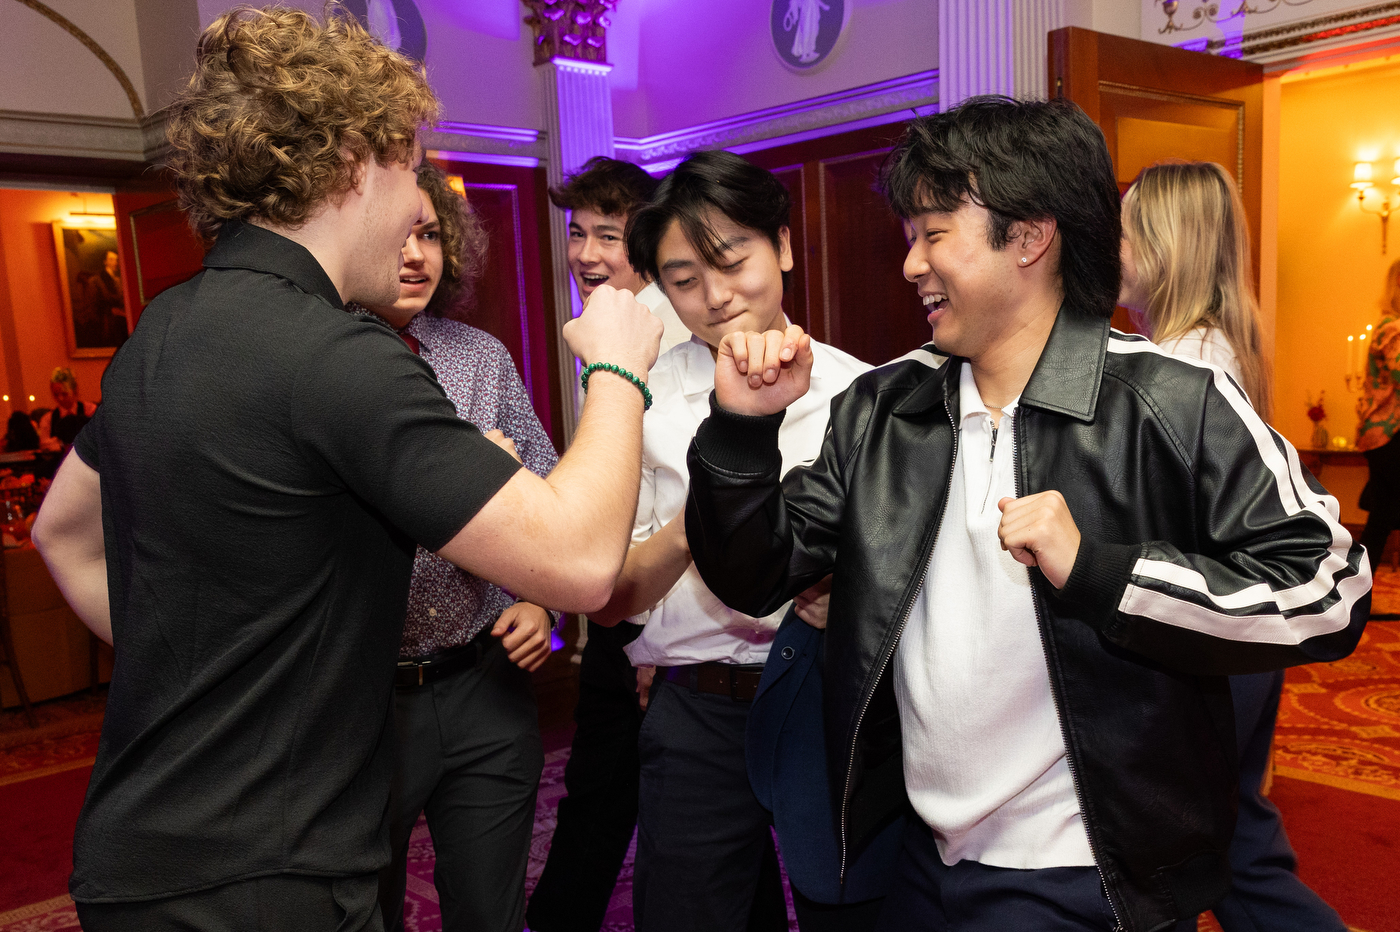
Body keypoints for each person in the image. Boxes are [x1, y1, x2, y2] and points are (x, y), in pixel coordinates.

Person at [31, 9, 661, 932]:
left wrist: (211, 676)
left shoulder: (162, 328)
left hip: (137, 859)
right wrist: (615, 368)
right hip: (270, 876)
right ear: (353, 162)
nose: (420, 206)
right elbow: (581, 564)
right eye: (411, 167)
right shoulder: (335, 354)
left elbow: (62, 532)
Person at [681, 96, 1371, 932]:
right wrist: (742, 432)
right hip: (916, 860)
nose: (911, 264)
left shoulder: (1171, 402)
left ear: (1030, 236)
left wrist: (1106, 572)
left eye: (935, 233)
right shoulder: (883, 409)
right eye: (911, 236)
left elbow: (1328, 588)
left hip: (1083, 872)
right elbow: (754, 574)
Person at [589, 149, 871, 932]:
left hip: (825, 699)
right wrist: (717, 511)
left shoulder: (864, 393)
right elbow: (611, 598)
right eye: (682, 279)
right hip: (698, 706)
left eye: (731, 259)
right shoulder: (635, 401)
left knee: (848, 904)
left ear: (780, 246)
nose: (713, 297)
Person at [1120, 160, 1347, 932]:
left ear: (1159, 248)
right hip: (1242, 634)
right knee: (1236, 846)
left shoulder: (1181, 368)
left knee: (1182, 853)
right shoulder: (1214, 348)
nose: (1109, 248)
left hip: (1210, 638)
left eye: (1123, 232)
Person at [364, 164, 558, 932]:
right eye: (396, 236)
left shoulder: (479, 356)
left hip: (483, 682)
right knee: (357, 910)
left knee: (492, 912)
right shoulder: (320, 364)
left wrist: (536, 597)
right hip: (362, 701)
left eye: (431, 235)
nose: (416, 255)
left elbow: (543, 492)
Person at [528, 155, 688, 932]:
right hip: (623, 601)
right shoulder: (610, 325)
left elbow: (684, 497)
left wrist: (661, 634)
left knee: (653, 802)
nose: (587, 254)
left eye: (609, 235)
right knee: (609, 791)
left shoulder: (667, 329)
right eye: (576, 233)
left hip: (661, 611)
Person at [1356, 259, 1400, 572]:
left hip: (1383, 433)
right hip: (1389, 433)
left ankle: (1358, 588)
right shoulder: (1393, 328)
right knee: (1383, 513)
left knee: (1383, 513)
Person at [37, 367, 97, 450]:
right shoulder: (47, 419)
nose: (60, 398)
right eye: (56, 395)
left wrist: (57, 442)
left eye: (64, 394)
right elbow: (44, 445)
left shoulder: (90, 410)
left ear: (75, 390)